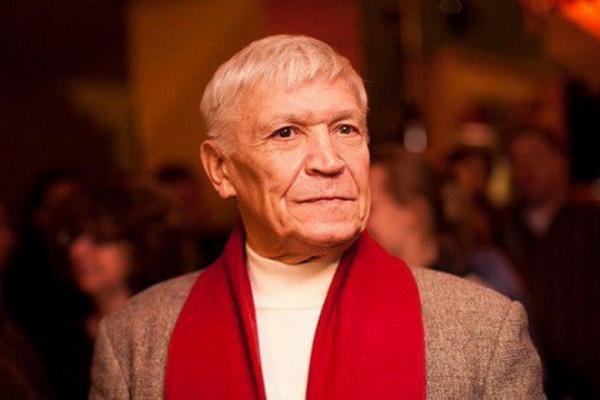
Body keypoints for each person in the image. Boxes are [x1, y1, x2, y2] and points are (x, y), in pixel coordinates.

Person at [91, 35, 543, 399]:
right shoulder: (137, 339)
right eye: (286, 133)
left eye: (345, 129)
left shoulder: (481, 330)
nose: (329, 161)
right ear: (221, 170)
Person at [498, 127, 600, 398]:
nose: (526, 169)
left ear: (561, 161)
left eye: (536, 156)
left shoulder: (590, 222)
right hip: (524, 379)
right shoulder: (501, 229)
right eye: (517, 161)